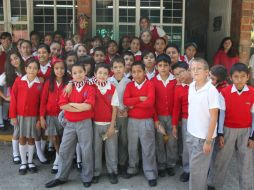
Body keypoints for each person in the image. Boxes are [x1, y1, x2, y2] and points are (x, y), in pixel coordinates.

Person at [45, 63, 95, 188]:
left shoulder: (90, 87)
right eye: (75, 73)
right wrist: (80, 107)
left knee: (86, 150)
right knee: (64, 150)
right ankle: (61, 177)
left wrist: (71, 105)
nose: (78, 74)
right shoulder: (68, 88)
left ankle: (87, 176)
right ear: (71, 75)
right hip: (70, 124)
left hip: (85, 123)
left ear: (85, 72)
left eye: (80, 72)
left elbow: (88, 106)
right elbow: (62, 105)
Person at [207, 63, 254, 190]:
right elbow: (221, 114)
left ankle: (246, 187)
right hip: (228, 129)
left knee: (246, 161)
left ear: (248, 77)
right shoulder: (224, 92)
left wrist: (252, 137)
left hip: (246, 131)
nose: (239, 80)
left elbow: (253, 116)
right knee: (221, 159)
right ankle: (214, 184)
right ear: (231, 77)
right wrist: (220, 133)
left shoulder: (252, 93)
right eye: (236, 76)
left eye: (243, 76)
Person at [123, 62, 158, 187]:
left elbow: (149, 103)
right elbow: (125, 101)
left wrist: (133, 105)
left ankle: (150, 173)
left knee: (148, 147)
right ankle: (133, 167)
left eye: (139, 71)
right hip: (132, 121)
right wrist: (139, 99)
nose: (136, 74)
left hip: (146, 121)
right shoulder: (130, 85)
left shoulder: (149, 84)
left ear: (144, 72)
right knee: (132, 146)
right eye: (134, 72)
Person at [187, 57, 220, 190]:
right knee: (196, 170)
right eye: (192, 69)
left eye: (199, 69)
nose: (195, 71)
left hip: (203, 138)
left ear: (207, 72)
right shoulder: (191, 86)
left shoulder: (211, 90)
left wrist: (208, 141)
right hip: (191, 134)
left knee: (197, 172)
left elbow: (213, 117)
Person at [10, 59, 43, 175]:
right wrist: (13, 116)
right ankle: (23, 162)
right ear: (25, 69)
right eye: (30, 67)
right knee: (22, 138)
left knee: (31, 138)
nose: (32, 70)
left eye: (34, 68)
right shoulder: (19, 81)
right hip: (20, 116)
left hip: (33, 117)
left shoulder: (40, 84)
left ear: (38, 70)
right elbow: (13, 99)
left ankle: (30, 162)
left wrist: (39, 119)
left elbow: (41, 104)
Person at [92, 63, 119, 184]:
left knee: (111, 149)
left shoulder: (112, 88)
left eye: (105, 73)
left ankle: (112, 172)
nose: (102, 75)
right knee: (96, 150)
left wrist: (112, 126)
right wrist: (71, 83)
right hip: (95, 124)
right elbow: (77, 80)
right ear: (95, 74)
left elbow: (114, 109)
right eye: (100, 73)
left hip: (109, 124)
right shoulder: (91, 86)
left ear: (109, 75)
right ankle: (96, 172)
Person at [40, 58, 69, 174]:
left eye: (62, 68)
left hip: (65, 115)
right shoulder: (48, 82)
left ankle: (64, 158)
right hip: (51, 115)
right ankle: (58, 159)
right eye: (57, 68)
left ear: (65, 69)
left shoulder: (69, 82)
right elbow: (43, 101)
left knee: (64, 138)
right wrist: (42, 117)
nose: (60, 71)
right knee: (55, 138)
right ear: (53, 70)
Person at [151, 54, 177, 177]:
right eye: (160, 65)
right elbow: (152, 103)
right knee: (160, 141)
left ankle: (171, 164)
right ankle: (161, 165)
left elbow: (177, 102)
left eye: (165, 65)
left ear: (169, 66)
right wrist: (156, 120)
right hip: (159, 117)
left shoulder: (175, 81)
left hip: (172, 117)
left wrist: (176, 120)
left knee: (172, 141)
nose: (163, 68)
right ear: (156, 67)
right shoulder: (153, 82)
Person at [0, 50, 25, 163]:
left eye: (16, 58)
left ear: (20, 57)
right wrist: (5, 97)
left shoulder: (27, 69)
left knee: (25, 131)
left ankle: (24, 151)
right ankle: (15, 153)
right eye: (11, 60)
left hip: (28, 106)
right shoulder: (7, 74)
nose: (14, 61)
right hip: (16, 106)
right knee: (17, 131)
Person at [108, 56, 131, 175]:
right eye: (115, 67)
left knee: (124, 140)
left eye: (120, 67)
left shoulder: (128, 82)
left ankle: (122, 163)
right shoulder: (107, 81)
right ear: (111, 69)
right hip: (112, 115)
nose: (118, 69)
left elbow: (131, 98)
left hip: (125, 114)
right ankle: (113, 163)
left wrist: (126, 109)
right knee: (112, 140)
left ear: (125, 67)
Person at [171, 61, 193, 182]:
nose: (179, 77)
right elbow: (176, 108)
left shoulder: (198, 84)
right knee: (186, 146)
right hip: (186, 120)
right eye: (176, 75)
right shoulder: (178, 88)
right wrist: (174, 125)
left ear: (188, 70)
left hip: (201, 119)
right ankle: (187, 170)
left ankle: (202, 169)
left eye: (181, 73)